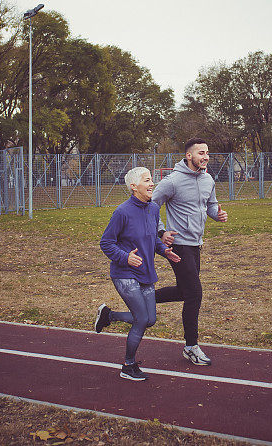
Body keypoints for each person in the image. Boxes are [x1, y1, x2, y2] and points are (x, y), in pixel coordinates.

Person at [95, 166, 181, 381]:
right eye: (147, 180)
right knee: (141, 318)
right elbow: (106, 243)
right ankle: (128, 365)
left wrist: (164, 251)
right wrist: (126, 257)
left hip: (145, 272)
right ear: (134, 186)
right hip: (124, 273)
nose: (152, 184)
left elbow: (152, 240)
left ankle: (109, 316)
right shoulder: (122, 212)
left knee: (150, 319)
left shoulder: (153, 209)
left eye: (152, 180)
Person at [152, 138, 228, 366]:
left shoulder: (208, 180)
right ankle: (191, 347)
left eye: (207, 153)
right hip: (178, 244)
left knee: (185, 292)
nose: (205, 157)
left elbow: (210, 204)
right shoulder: (172, 181)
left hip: (196, 244)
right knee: (195, 293)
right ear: (189, 156)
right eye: (201, 153)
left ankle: (144, 297)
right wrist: (161, 232)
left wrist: (217, 214)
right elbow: (150, 206)